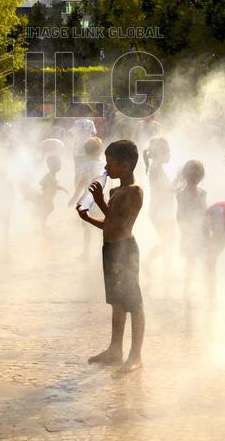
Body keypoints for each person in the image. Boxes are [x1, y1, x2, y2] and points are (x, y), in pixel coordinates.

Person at [78, 139, 144, 374]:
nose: (106, 169)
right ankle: (115, 349)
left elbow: (121, 224)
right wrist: (88, 218)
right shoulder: (116, 191)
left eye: (110, 164)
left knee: (134, 304)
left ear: (125, 166)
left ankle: (135, 355)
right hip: (111, 248)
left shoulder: (134, 192)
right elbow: (108, 225)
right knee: (117, 301)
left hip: (125, 249)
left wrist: (99, 202)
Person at [143, 137, 175, 279]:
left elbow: (164, 189)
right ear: (159, 153)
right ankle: (147, 262)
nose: (169, 155)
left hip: (161, 209)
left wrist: (176, 185)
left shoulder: (156, 167)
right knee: (168, 240)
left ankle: (166, 270)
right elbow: (161, 191)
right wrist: (176, 186)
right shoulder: (156, 168)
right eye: (167, 152)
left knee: (168, 240)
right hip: (160, 210)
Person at [176, 159, 208, 300]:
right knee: (191, 260)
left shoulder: (202, 193)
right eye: (192, 175)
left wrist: (206, 230)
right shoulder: (182, 194)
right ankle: (187, 289)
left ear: (200, 177)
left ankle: (201, 287)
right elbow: (179, 215)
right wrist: (185, 230)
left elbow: (205, 212)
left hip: (200, 231)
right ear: (186, 176)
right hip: (189, 232)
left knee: (202, 260)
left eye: (197, 176)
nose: (194, 178)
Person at [70, 135, 105, 258]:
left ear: (85, 151)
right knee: (103, 227)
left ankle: (86, 253)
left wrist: (74, 197)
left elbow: (82, 183)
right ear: (101, 150)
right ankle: (104, 253)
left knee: (88, 228)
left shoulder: (86, 166)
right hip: (102, 201)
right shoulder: (105, 165)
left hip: (89, 201)